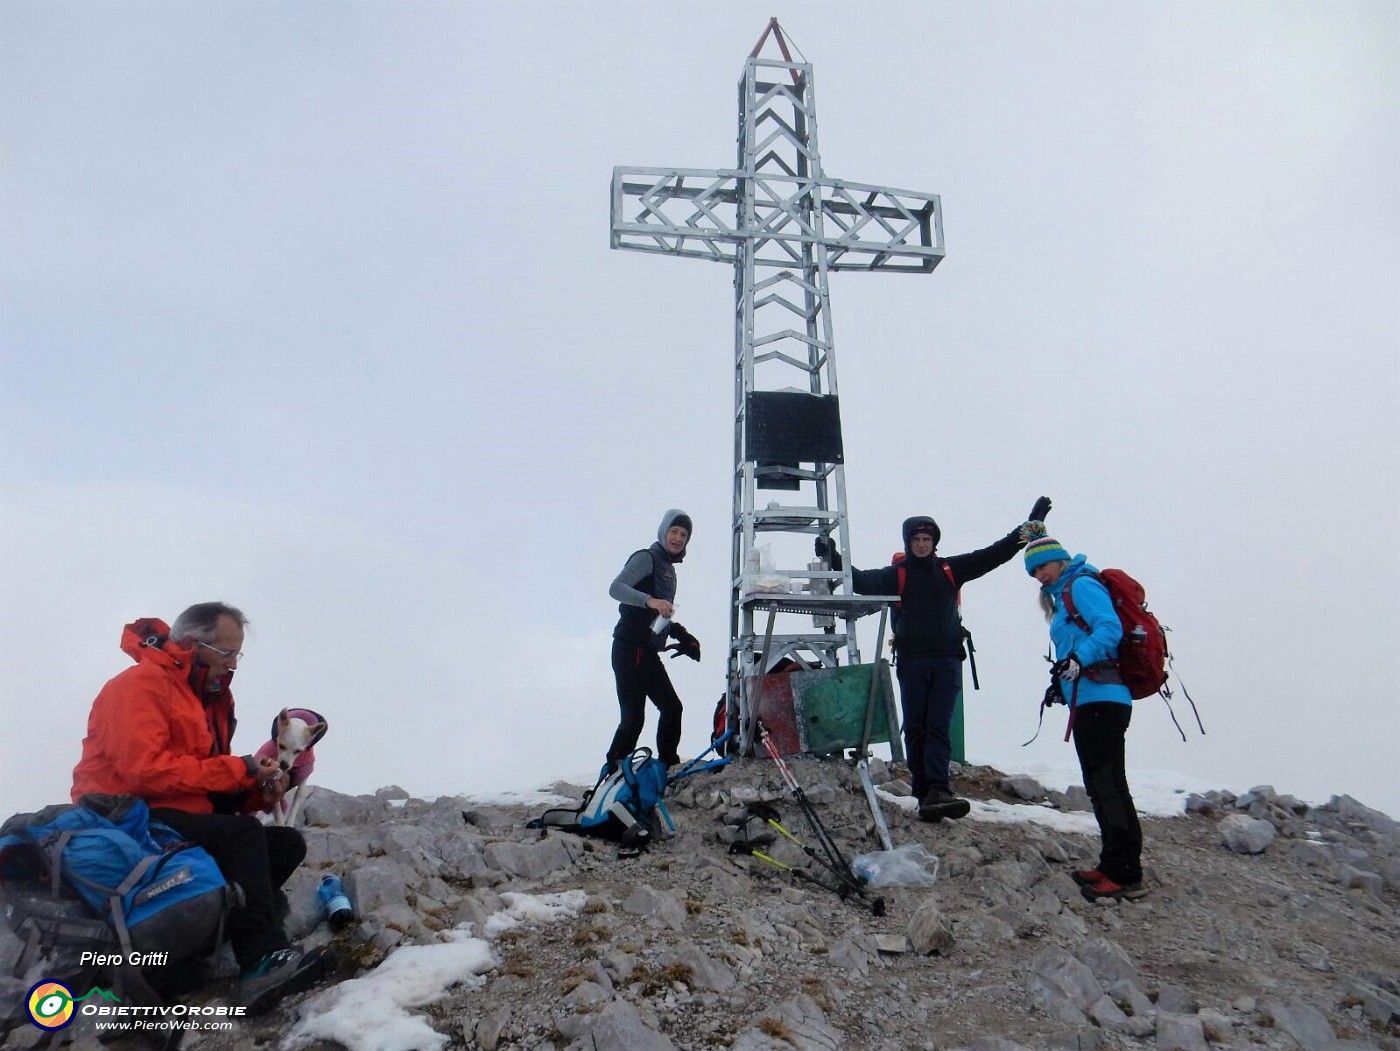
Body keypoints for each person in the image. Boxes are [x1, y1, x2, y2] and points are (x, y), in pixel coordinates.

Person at [70, 602, 336, 1012]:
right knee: (245, 837)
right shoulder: (139, 686)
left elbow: (203, 780)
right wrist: (239, 768)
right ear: (193, 644)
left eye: (237, 656)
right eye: (227, 654)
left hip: (176, 813)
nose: (232, 666)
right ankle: (261, 960)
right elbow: (145, 772)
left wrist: (255, 792)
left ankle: (194, 949)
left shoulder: (206, 698)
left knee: (284, 844)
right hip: (126, 814)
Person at [817, 497, 1052, 822]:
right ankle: (924, 790)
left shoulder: (950, 570)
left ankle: (939, 790)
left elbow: (994, 554)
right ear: (908, 543)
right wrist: (833, 556)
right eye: (917, 540)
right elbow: (860, 581)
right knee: (916, 726)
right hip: (913, 662)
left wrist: (1028, 527)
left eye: (927, 539)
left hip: (946, 661)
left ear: (935, 542)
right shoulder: (896, 575)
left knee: (938, 725)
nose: (923, 545)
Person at [1023, 523, 1148, 901]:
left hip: (1104, 699)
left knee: (1109, 786)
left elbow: (1109, 629)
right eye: (1034, 571)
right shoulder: (1063, 595)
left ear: (1060, 560)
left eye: (1044, 566)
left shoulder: (1081, 585)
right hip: (1090, 699)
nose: (1040, 574)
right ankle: (1111, 864)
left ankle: (1126, 873)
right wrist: (1062, 682)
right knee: (1099, 787)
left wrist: (1079, 659)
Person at [605, 510, 701, 771]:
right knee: (633, 719)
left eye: (684, 534)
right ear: (663, 532)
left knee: (672, 708)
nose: (678, 537)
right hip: (628, 648)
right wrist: (650, 600)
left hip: (646, 652)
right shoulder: (646, 558)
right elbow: (616, 588)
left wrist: (682, 636)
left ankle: (667, 769)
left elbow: (659, 616)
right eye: (674, 531)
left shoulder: (668, 570)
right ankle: (612, 773)